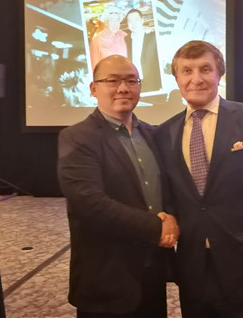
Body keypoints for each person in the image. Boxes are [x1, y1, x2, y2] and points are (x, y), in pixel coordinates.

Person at [155, 40, 243, 318]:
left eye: (205, 69)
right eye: (187, 71)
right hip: (194, 269)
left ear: (219, 74)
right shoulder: (165, 133)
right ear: (177, 79)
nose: (196, 79)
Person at [57, 55, 179, 318]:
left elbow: (167, 190)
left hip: (152, 268)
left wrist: (171, 218)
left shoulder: (153, 134)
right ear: (94, 88)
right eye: (112, 81)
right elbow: (90, 204)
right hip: (107, 277)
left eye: (131, 81)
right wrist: (157, 227)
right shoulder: (77, 138)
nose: (123, 88)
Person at [124, 9, 162, 92]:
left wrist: (161, 83)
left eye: (136, 20)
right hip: (134, 83)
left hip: (152, 82)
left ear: (142, 20)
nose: (133, 24)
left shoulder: (153, 36)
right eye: (130, 21)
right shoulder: (126, 40)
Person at [89, 5, 127, 71]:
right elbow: (94, 67)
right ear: (106, 23)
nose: (115, 24)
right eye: (111, 20)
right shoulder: (97, 40)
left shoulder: (124, 35)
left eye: (117, 20)